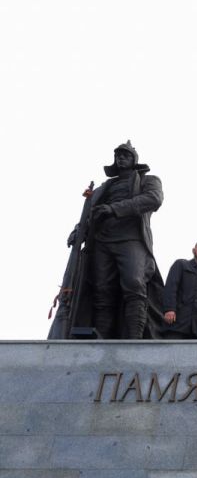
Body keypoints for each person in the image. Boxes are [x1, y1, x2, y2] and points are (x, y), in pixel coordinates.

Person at [51, 141, 165, 339]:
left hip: (131, 239)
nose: (120, 158)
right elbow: (89, 213)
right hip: (101, 242)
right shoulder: (105, 187)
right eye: (118, 156)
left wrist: (114, 209)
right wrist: (78, 230)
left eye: (125, 155)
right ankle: (103, 339)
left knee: (134, 283)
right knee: (102, 290)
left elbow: (154, 199)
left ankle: (135, 339)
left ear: (134, 160)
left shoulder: (148, 180)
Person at [161, 240, 197, 339]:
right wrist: (169, 309)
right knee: (171, 353)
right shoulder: (181, 264)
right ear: (194, 250)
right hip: (176, 323)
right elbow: (171, 287)